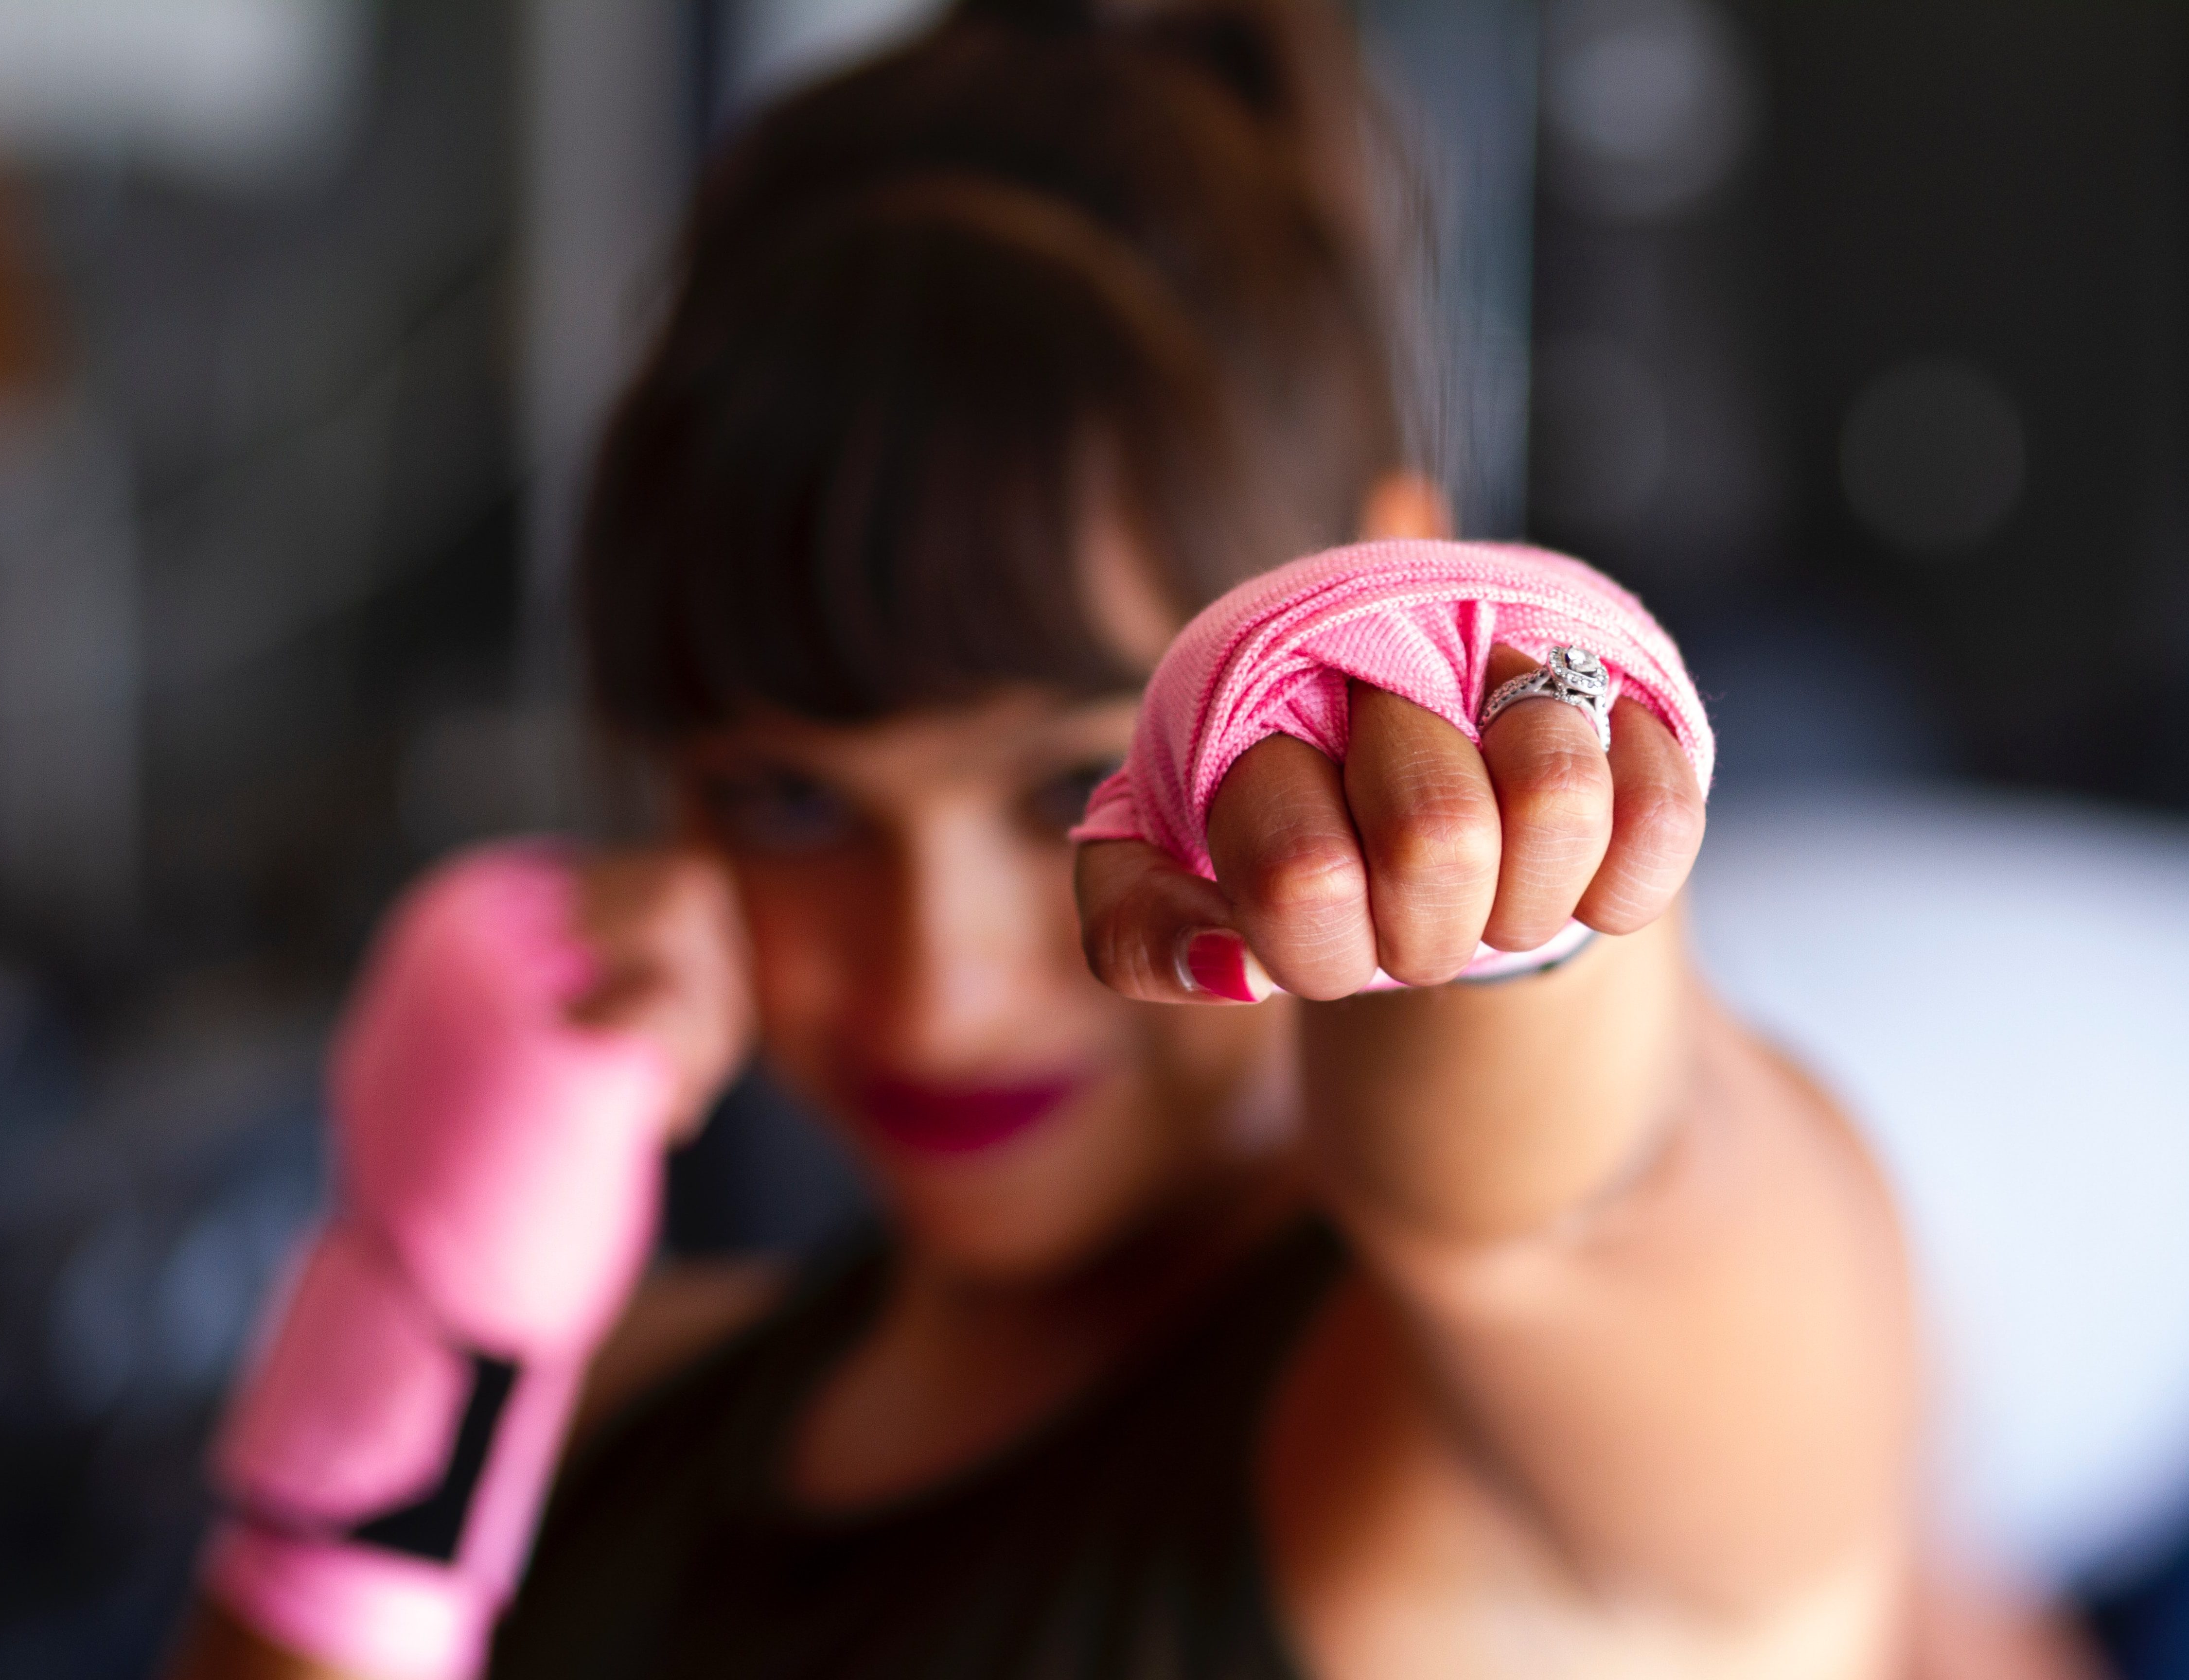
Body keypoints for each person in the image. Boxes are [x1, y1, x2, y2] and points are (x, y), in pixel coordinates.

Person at [167, 2, 2098, 1676]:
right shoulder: (608, 1400)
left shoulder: (1495, 1468)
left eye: (1054, 787)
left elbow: (1574, 1199)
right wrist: (412, 1325)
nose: (937, 982)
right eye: (790, 800)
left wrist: (1503, 854)